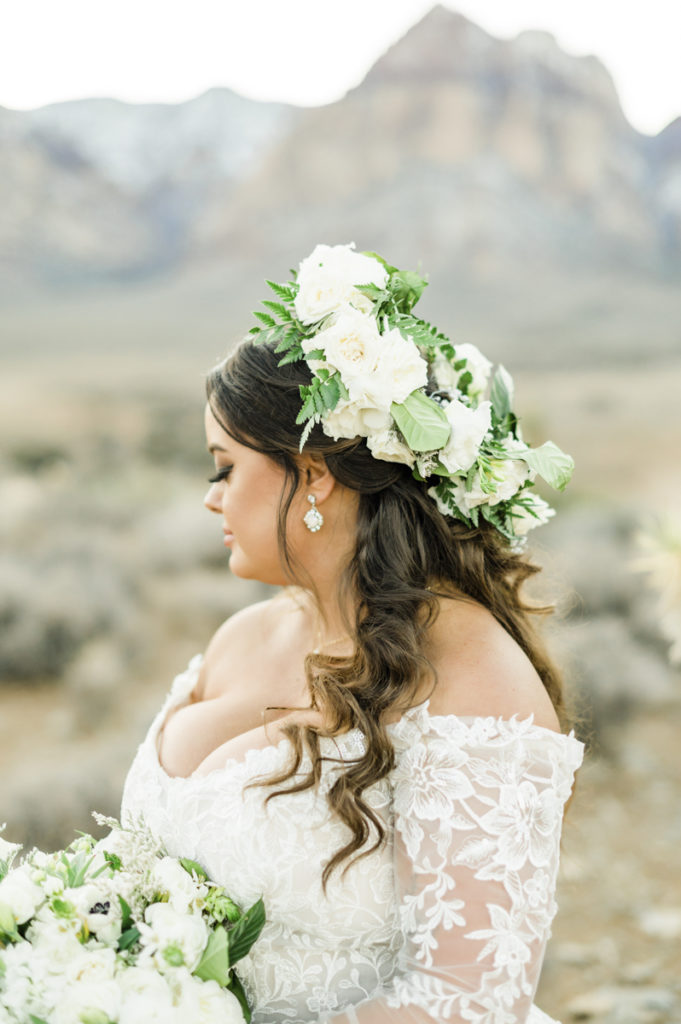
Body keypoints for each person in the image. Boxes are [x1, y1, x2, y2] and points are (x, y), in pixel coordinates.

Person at [121, 243, 583, 1023]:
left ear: (312, 476)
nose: (212, 498)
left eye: (224, 468)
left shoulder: (473, 679)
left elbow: (468, 1000)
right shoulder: (241, 637)